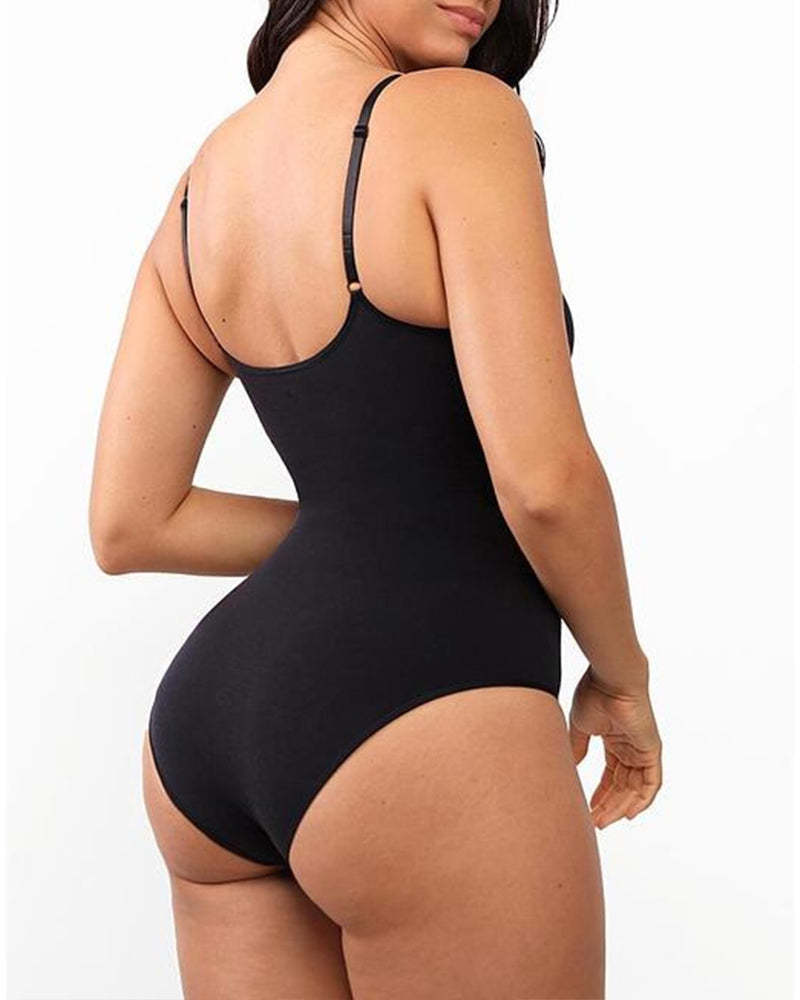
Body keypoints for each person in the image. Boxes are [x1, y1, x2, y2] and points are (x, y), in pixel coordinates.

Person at [89, 1, 662, 996]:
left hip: (208, 738)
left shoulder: (199, 190)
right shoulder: (459, 115)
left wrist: (355, 534)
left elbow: (131, 522)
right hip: (425, 706)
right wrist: (621, 678)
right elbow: (544, 481)